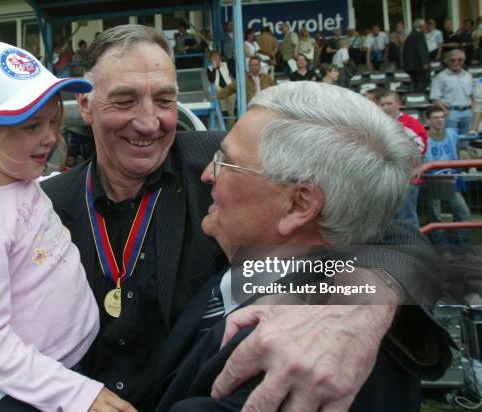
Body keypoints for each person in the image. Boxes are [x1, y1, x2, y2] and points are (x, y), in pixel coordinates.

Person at [40, 25, 446, 412]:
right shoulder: (44, 204)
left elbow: (385, 229)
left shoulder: (230, 165)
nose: (150, 121)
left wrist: (361, 302)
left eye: (165, 100)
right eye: (125, 100)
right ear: (87, 106)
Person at [155, 81, 451, 412]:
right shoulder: (256, 252)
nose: (207, 173)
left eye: (225, 160)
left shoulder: (294, 357)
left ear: (298, 205)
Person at [0, 42, 134, 412]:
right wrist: (75, 394)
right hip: (44, 388)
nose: (50, 137)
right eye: (31, 125)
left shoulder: (24, 182)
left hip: (82, 360)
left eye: (52, 121)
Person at [423, 106, 481, 262]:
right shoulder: (423, 137)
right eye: (435, 117)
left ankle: (463, 249)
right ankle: (443, 251)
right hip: (432, 180)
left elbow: (456, 158)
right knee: (436, 217)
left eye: (442, 117)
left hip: (450, 179)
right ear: (428, 120)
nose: (439, 121)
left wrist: (459, 181)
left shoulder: (452, 134)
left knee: (463, 213)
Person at [380, 91, 428, 228]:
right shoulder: (379, 123)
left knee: (407, 217)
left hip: (408, 178)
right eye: (382, 104)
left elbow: (421, 147)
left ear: (399, 104)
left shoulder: (410, 122)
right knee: (388, 219)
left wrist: (403, 132)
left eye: (389, 103)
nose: (385, 107)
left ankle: (413, 249)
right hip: (386, 179)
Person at [430, 49, 474, 136]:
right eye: (453, 60)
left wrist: (472, 110)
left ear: (464, 61)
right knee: (451, 140)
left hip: (467, 113)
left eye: (460, 60)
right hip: (450, 113)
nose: (456, 62)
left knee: (465, 142)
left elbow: (471, 95)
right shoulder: (440, 77)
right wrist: (445, 111)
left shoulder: (468, 76)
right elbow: (435, 98)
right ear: (448, 62)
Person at [206, 50, 235, 125]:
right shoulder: (209, 68)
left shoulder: (226, 64)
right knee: (219, 91)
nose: (215, 59)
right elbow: (211, 79)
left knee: (230, 110)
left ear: (220, 58)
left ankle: (231, 124)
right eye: (213, 57)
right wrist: (214, 68)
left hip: (229, 88)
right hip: (219, 89)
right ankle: (224, 114)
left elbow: (233, 74)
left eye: (217, 56)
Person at [403, 18, 431, 92]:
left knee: (415, 86)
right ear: (420, 26)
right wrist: (425, 63)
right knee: (422, 86)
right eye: (424, 25)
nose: (426, 27)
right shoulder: (419, 36)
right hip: (419, 67)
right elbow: (421, 49)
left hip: (411, 67)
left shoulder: (410, 36)